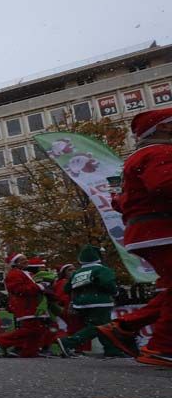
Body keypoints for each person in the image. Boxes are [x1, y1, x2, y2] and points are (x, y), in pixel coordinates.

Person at [111, 109, 172, 367]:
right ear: (164, 128)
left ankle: (126, 327)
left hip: (150, 231)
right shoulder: (160, 153)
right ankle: (162, 347)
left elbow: (122, 201)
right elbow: (165, 185)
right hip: (160, 231)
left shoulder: (144, 156)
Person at [58, 246, 124, 356]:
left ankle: (111, 350)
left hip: (81, 304)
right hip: (100, 302)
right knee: (100, 327)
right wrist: (115, 292)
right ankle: (68, 342)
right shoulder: (102, 269)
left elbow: (67, 289)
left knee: (102, 326)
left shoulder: (77, 273)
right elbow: (108, 284)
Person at [0, 253, 46, 358]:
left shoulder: (25, 273)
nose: (26, 261)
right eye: (22, 260)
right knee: (31, 329)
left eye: (26, 259)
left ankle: (29, 352)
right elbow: (19, 290)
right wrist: (39, 287)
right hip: (25, 305)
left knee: (37, 330)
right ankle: (1, 341)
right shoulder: (14, 274)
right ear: (15, 263)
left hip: (32, 304)